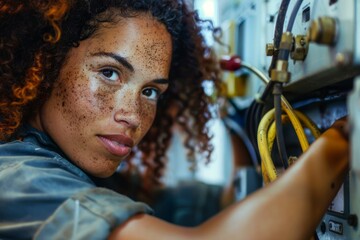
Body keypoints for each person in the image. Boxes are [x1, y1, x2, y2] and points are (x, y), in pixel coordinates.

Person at [0, 0, 349, 239]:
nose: (133, 115)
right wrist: (343, 141)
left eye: (151, 91)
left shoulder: (67, 166)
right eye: (109, 73)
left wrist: (235, 116)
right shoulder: (18, 180)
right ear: (46, 65)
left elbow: (207, 205)